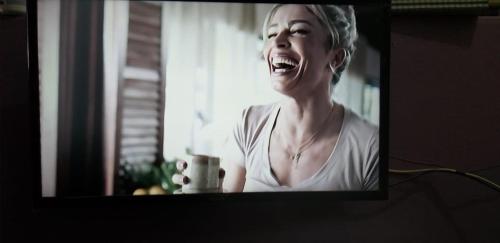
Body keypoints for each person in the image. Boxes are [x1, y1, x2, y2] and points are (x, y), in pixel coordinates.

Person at [173, 4, 379, 192]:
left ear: (335, 57)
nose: (277, 42)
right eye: (271, 34)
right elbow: (228, 218)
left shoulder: (370, 146)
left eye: (299, 30)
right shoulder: (249, 124)